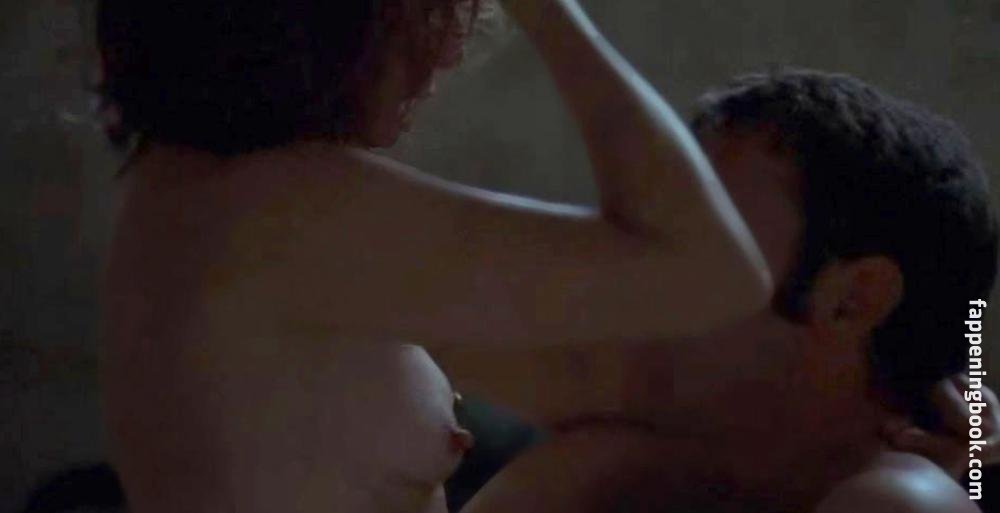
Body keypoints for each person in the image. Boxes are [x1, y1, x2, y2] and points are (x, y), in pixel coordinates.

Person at [96, 0, 773, 512]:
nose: (448, 50)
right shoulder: (278, 211)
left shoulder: (184, 192)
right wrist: (553, 14)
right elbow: (713, 271)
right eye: (426, 10)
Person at [446, 67, 999, 513]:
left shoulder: (898, 500)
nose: (646, 268)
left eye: (709, 234)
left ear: (854, 298)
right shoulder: (646, 470)